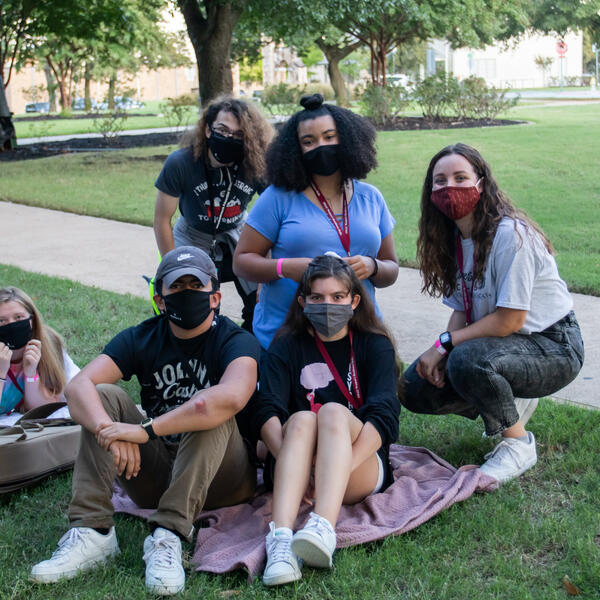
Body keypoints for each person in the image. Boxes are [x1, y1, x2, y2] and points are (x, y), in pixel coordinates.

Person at [30, 247, 261, 596]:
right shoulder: (142, 336)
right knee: (103, 396)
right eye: (177, 288)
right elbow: (78, 387)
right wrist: (108, 431)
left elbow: (229, 398)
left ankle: (168, 535)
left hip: (223, 477)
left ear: (215, 297)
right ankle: (93, 533)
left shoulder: (236, 339)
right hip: (155, 474)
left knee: (210, 411)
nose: (186, 294)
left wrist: (142, 431)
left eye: (195, 287)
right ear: (160, 298)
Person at [402, 143, 584, 484]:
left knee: (465, 359)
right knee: (415, 386)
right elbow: (461, 309)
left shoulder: (510, 235)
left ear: (481, 184)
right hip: (503, 345)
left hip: (554, 346)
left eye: (460, 177)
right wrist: (444, 352)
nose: (449, 188)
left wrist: (445, 345)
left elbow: (510, 321)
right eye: (439, 181)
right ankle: (504, 402)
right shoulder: (455, 240)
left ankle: (517, 444)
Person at [253, 255, 401, 586]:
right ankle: (280, 541)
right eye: (317, 298)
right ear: (303, 301)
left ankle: (322, 527)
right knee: (304, 418)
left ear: (355, 301)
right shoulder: (285, 344)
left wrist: (332, 471)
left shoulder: (374, 345)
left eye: (337, 297)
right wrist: (304, 468)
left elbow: (385, 414)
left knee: (333, 411)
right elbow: (266, 409)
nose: (327, 305)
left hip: (357, 463)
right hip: (295, 462)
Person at [233, 93, 399, 349]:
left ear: (347, 139)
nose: (321, 146)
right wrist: (285, 268)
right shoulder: (277, 198)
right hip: (289, 337)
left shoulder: (371, 198)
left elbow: (391, 269)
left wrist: (373, 266)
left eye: (329, 137)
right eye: (309, 141)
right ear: (295, 149)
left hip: (358, 334)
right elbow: (242, 262)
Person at [153, 95, 273, 332]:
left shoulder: (256, 163)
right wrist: (172, 267)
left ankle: (248, 350)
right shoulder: (181, 162)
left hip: (237, 231)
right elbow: (162, 219)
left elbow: (273, 218)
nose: (229, 138)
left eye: (238, 135)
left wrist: (265, 277)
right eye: (222, 129)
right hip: (193, 233)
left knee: (261, 303)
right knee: (194, 306)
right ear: (208, 130)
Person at [0, 286, 79, 415]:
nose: (11, 324)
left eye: (18, 317)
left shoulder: (48, 343)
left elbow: (42, 409)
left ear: (32, 319)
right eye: (1, 320)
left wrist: (31, 373)